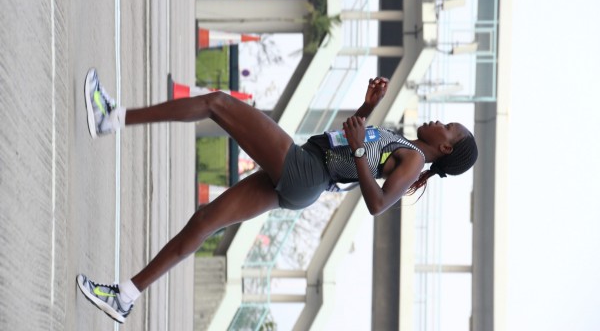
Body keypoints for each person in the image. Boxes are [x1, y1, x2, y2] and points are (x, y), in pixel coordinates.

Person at [77, 68, 478, 324]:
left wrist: (358, 148)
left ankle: (111, 117)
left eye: (448, 127)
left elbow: (377, 204)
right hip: (307, 176)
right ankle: (125, 296)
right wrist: (366, 107)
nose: (439, 121)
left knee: (218, 103)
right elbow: (351, 146)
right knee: (204, 221)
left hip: (307, 171)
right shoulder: (406, 147)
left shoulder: (413, 160)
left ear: (445, 147)